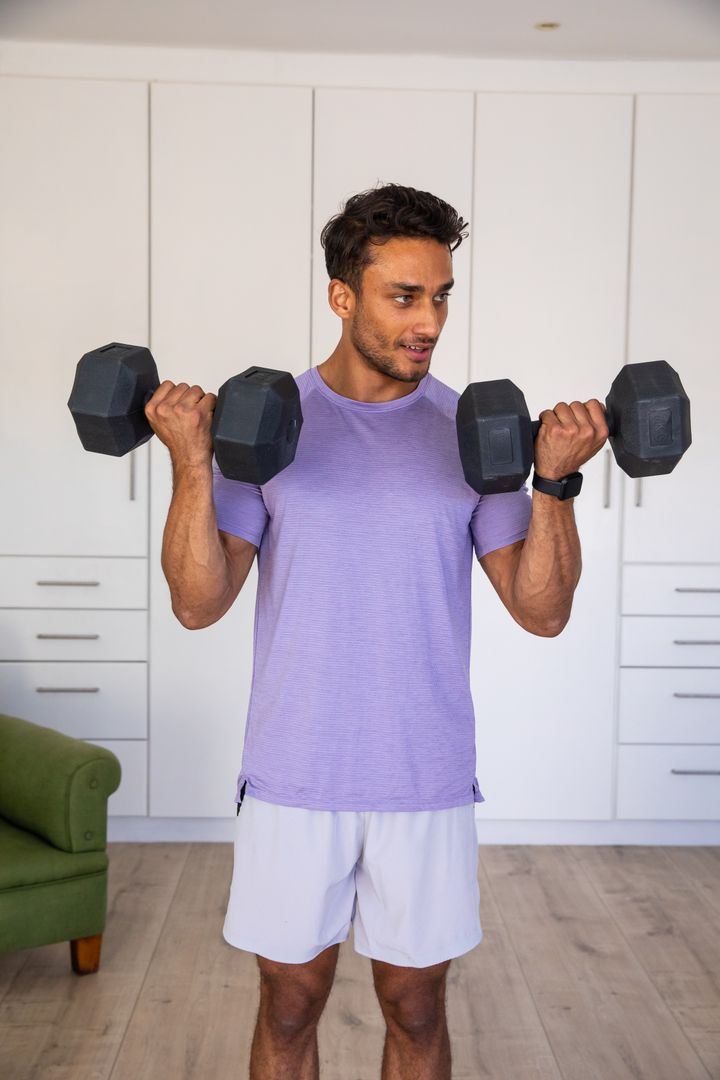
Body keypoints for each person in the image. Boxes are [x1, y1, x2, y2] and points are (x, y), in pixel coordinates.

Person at [146, 183, 609, 1080]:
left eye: (441, 296)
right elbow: (200, 601)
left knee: (415, 1004)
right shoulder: (265, 429)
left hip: (423, 775)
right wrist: (192, 463)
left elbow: (542, 612)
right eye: (405, 296)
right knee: (288, 1002)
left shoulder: (474, 434)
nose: (428, 320)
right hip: (295, 772)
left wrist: (552, 482)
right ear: (343, 296)